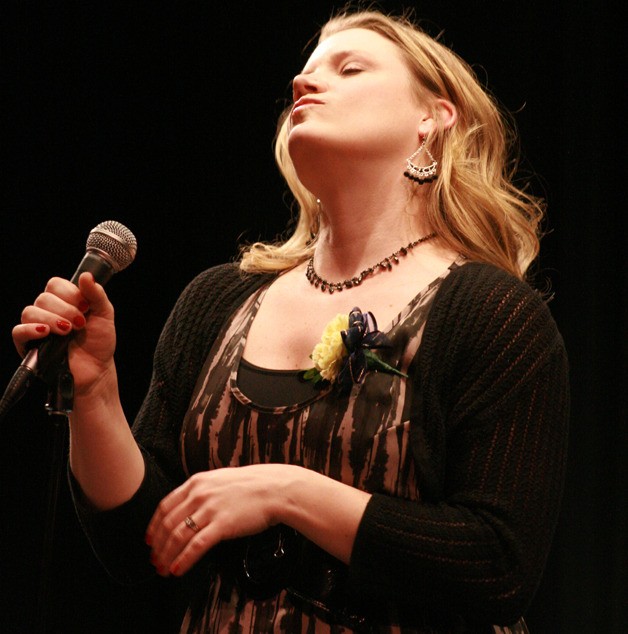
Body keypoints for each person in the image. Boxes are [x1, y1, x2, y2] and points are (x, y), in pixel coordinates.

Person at [12, 8, 569, 633]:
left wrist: (288, 492)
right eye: (302, 75)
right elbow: (140, 544)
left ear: (432, 120)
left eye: (348, 67)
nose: (303, 84)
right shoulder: (218, 300)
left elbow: (498, 567)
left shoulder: (490, 312)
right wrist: (95, 393)